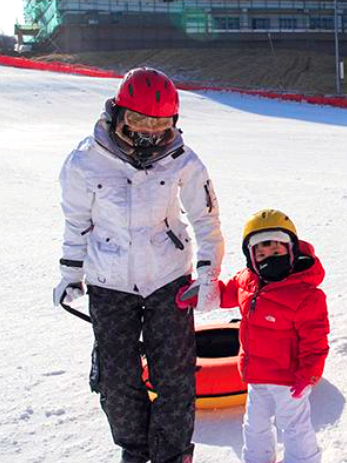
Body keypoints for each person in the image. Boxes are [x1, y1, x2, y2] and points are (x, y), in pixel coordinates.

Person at [54, 67, 224, 463]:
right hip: (108, 280)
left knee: (175, 376)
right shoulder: (84, 162)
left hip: (168, 278)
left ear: (173, 123)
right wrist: (70, 275)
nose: (148, 132)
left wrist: (207, 275)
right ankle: (135, 449)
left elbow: (206, 220)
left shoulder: (183, 160)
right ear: (117, 114)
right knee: (117, 378)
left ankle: (172, 454)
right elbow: (76, 223)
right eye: (138, 121)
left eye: (159, 123)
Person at [215, 209, 329, 463]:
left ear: (291, 251)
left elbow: (316, 342)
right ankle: (257, 458)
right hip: (256, 373)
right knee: (254, 425)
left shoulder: (305, 295)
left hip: (290, 379)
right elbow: (225, 295)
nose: (269, 259)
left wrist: (308, 374)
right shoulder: (248, 282)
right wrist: (199, 292)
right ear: (251, 257)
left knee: (294, 428)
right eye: (262, 254)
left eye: (276, 253)